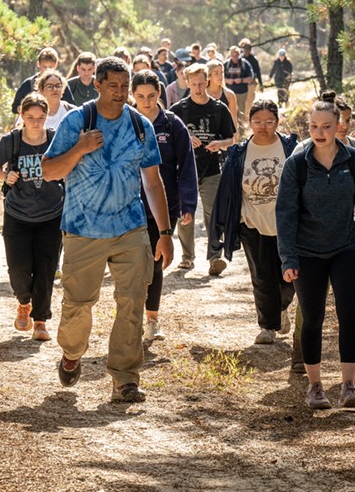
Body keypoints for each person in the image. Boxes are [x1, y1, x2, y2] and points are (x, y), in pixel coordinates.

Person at [41, 57, 174, 403]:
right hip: (83, 229)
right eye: (112, 86)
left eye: (124, 86)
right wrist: (80, 148)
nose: (119, 93)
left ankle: (125, 377)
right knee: (78, 303)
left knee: (133, 300)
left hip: (130, 227)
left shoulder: (140, 126)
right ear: (97, 85)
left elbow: (153, 182)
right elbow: (50, 171)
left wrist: (164, 231)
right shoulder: (76, 121)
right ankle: (72, 353)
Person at [277, 91, 355, 410]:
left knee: (349, 315)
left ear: (338, 126)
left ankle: (349, 386)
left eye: (326, 126)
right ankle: (314, 387)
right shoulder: (297, 164)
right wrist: (288, 258)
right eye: (313, 127)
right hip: (307, 251)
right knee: (312, 318)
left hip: (346, 248)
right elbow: (285, 214)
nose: (320, 133)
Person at [210, 98, 299, 345]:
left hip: (288, 225)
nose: (263, 126)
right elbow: (228, 191)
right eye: (257, 121)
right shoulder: (239, 153)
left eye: (269, 121)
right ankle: (267, 326)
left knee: (289, 276)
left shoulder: (291, 148)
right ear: (249, 123)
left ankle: (281, 308)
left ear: (277, 122)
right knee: (262, 276)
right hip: (251, 223)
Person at [0, 93, 65, 342]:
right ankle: (24, 303)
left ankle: (40, 321)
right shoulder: (11, 140)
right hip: (17, 213)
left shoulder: (54, 139)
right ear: (21, 116)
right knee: (19, 268)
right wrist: (4, 176)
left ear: (46, 117)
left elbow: (68, 163)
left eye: (40, 118)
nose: (35, 122)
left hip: (51, 212)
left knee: (45, 269)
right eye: (30, 117)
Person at [130, 71, 197, 342]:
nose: (146, 102)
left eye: (152, 95)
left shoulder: (172, 125)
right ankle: (130, 319)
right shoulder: (125, 121)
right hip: (128, 205)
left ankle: (152, 320)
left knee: (156, 264)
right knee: (132, 265)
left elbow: (186, 167)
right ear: (132, 96)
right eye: (140, 96)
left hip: (162, 206)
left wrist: (188, 204)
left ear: (160, 93)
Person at [170, 63, 236, 274]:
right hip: (185, 170)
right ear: (187, 83)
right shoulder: (178, 110)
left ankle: (215, 257)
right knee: (185, 213)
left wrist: (220, 144)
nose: (197, 88)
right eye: (193, 84)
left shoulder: (218, 109)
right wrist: (186, 138)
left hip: (212, 168)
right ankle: (187, 257)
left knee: (213, 214)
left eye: (201, 83)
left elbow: (231, 139)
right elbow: (168, 139)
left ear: (207, 82)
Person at [10, 47, 61, 115]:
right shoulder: (29, 84)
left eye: (50, 67)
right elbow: (15, 107)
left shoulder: (60, 85)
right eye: (45, 67)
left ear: (56, 65)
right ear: (38, 64)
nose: (47, 70)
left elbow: (70, 107)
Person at [223, 46, 255, 136]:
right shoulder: (226, 64)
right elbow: (220, 77)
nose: (235, 57)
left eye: (236, 55)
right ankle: (232, 133)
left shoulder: (245, 64)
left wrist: (241, 80)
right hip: (228, 92)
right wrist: (226, 80)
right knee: (230, 113)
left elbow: (251, 77)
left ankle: (241, 133)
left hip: (242, 92)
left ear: (239, 54)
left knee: (241, 112)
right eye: (233, 55)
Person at [205, 59, 238, 124]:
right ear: (209, 75)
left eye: (221, 72)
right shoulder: (202, 93)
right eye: (216, 73)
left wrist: (236, 134)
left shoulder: (229, 95)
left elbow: (233, 120)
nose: (220, 76)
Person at [239, 39, 263, 116]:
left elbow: (258, 72)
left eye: (248, 49)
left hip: (251, 82)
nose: (246, 51)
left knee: (249, 101)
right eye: (245, 49)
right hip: (241, 82)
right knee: (241, 101)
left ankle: (247, 117)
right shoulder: (240, 59)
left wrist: (261, 84)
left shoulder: (253, 60)